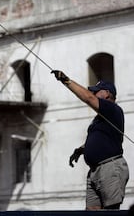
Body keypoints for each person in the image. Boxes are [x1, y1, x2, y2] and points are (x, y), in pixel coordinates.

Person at [52, 70, 129, 210]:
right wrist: (81, 150)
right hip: (95, 170)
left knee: (110, 211)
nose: (93, 94)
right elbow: (101, 139)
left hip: (110, 168)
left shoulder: (112, 109)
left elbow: (88, 98)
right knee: (91, 211)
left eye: (96, 91)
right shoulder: (101, 118)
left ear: (106, 93)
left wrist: (66, 80)